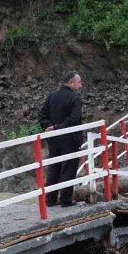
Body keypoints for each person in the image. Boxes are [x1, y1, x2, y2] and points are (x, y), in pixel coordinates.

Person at [38, 72, 83, 207]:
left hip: (53, 139)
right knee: (68, 169)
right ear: (71, 83)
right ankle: (65, 200)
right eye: (79, 82)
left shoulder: (52, 96)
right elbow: (73, 120)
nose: (80, 85)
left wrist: (49, 127)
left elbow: (42, 115)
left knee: (54, 168)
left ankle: (50, 199)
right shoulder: (75, 98)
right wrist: (57, 128)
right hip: (69, 138)